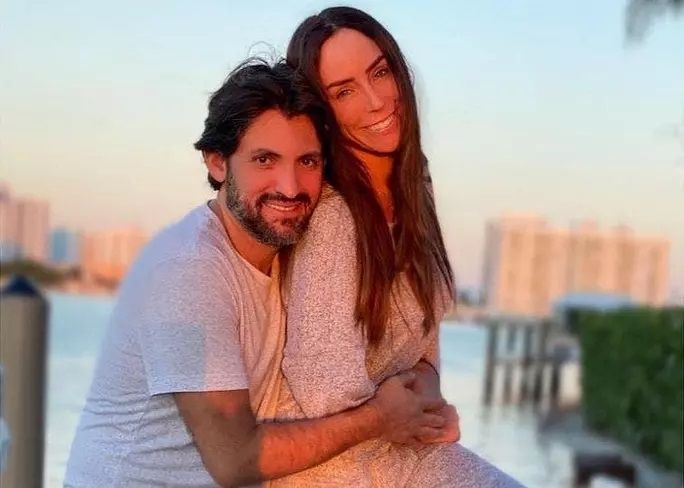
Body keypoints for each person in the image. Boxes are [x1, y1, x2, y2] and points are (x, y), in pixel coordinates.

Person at [64, 60, 448, 488]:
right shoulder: (186, 274)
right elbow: (234, 459)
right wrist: (379, 417)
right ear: (217, 163)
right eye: (265, 160)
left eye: (307, 162)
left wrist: (423, 390)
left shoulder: (292, 255)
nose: (290, 186)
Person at [266, 7, 525, 486]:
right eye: (344, 92)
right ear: (321, 112)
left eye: (380, 72)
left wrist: (430, 392)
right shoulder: (333, 217)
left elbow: (423, 345)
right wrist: (414, 410)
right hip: (333, 466)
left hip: (402, 447)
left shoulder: (415, 185)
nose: (376, 101)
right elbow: (323, 391)